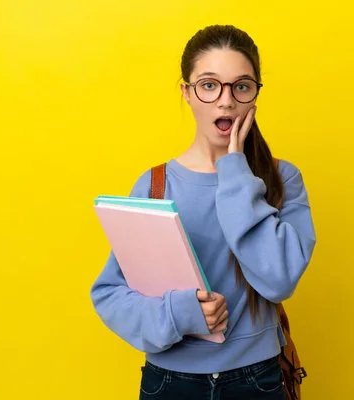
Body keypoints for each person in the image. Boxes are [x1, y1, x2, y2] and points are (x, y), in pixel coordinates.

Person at [90, 24, 316, 399]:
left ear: (254, 96)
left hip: (257, 381)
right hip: (170, 383)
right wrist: (180, 315)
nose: (225, 101)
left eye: (241, 86)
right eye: (209, 85)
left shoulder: (281, 179)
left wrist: (234, 171)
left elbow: (279, 280)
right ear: (187, 92)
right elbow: (111, 294)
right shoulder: (154, 185)